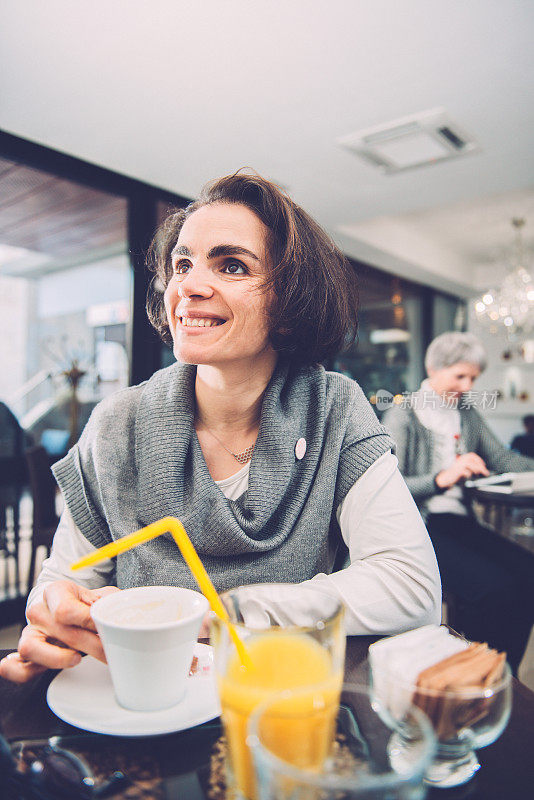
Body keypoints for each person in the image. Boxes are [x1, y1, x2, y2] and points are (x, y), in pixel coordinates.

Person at [0, 172, 440, 684]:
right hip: (145, 704)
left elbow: (411, 585)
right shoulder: (116, 423)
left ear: (290, 301)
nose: (189, 285)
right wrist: (53, 612)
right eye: (182, 263)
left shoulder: (334, 409)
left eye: (231, 265)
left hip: (281, 706)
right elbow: (65, 579)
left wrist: (233, 612)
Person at [383, 331, 534, 673]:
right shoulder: (402, 416)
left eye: (473, 378)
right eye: (460, 376)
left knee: (529, 573)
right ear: (434, 368)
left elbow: (503, 460)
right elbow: (388, 489)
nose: (467, 386)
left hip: (457, 521)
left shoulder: (465, 413)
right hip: (419, 527)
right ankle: (473, 677)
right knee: (495, 590)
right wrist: (442, 478)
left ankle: (500, 674)